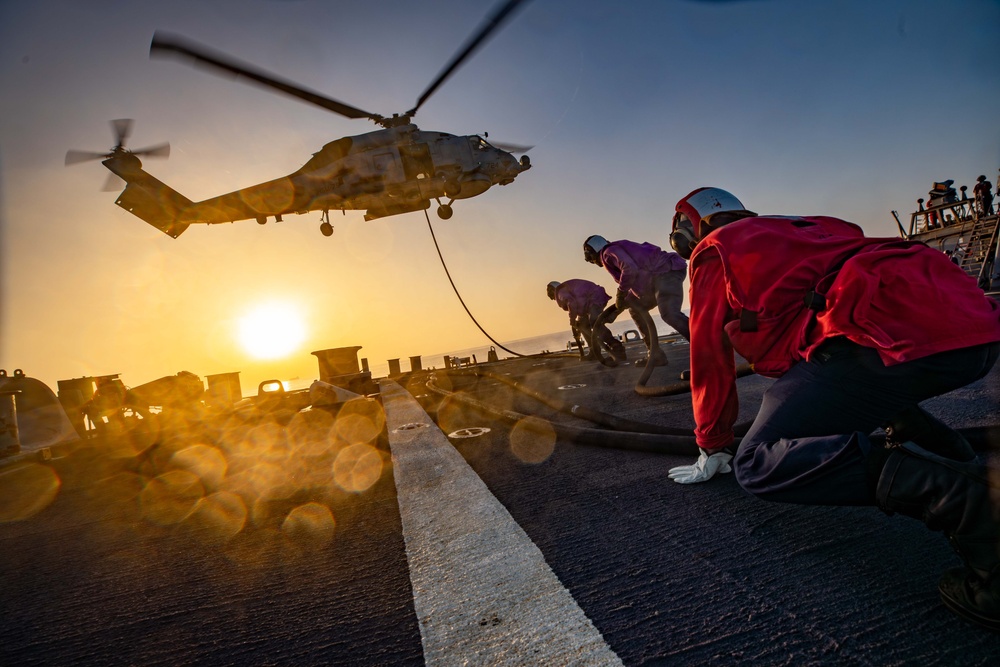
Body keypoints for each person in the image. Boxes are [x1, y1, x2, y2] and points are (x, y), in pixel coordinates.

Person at [665, 186, 1000, 630]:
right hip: (973, 335)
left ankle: (972, 509)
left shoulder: (714, 252)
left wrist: (714, 443)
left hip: (880, 346)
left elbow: (708, 353)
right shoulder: (814, 227)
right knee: (837, 380)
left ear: (691, 229)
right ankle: (951, 450)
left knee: (758, 462)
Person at [583, 235, 690, 365]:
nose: (594, 263)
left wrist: (620, 293)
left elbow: (629, 269)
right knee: (636, 309)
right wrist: (616, 310)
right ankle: (655, 354)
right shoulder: (615, 250)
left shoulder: (608, 252)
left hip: (665, 272)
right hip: (658, 277)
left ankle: (710, 349)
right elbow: (636, 285)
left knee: (670, 314)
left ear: (593, 252)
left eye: (591, 259)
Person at [546, 280, 627, 362]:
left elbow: (571, 303)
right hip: (590, 301)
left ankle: (616, 347)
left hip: (594, 299)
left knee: (595, 323)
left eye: (554, 297)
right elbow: (577, 302)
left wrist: (572, 319)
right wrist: (576, 324)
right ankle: (594, 352)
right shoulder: (566, 288)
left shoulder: (560, 292)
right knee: (582, 324)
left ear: (553, 291)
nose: (556, 299)